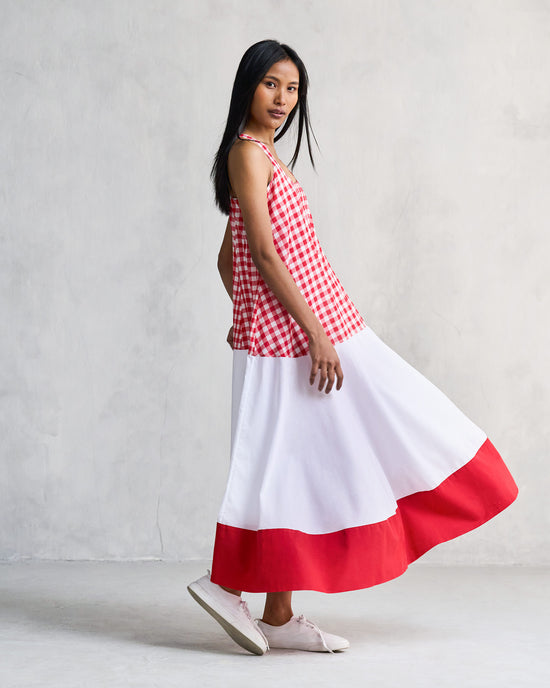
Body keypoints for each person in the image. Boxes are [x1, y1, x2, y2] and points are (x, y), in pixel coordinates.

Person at [187, 39, 519, 656]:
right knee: (281, 461)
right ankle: (225, 582)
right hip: (298, 340)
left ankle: (278, 613)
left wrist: (256, 314)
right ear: (247, 86)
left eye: (292, 88)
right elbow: (260, 254)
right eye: (270, 84)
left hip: (317, 328)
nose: (282, 98)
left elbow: (227, 258)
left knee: (301, 462)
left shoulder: (265, 157)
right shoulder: (246, 153)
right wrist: (303, 331)